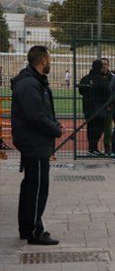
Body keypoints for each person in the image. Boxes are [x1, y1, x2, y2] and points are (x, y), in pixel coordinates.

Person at [11, 46, 63, 245]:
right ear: (42, 61)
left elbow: (40, 113)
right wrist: (55, 130)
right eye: (49, 59)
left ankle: (27, 228)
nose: (50, 63)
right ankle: (34, 230)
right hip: (34, 142)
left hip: (33, 141)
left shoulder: (32, 82)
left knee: (31, 185)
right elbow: (35, 116)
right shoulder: (30, 84)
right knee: (38, 187)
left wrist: (53, 124)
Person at [78, 59, 111, 156]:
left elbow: (81, 91)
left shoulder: (85, 78)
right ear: (100, 68)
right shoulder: (102, 80)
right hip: (99, 109)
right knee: (98, 128)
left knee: (91, 128)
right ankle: (93, 148)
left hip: (87, 108)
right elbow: (107, 93)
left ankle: (92, 148)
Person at [100, 58, 113, 154]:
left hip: (109, 106)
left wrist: (111, 104)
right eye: (102, 64)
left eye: (105, 64)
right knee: (97, 128)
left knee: (108, 128)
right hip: (98, 106)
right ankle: (93, 148)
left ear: (108, 65)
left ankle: (107, 147)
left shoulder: (112, 77)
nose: (104, 66)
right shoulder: (96, 76)